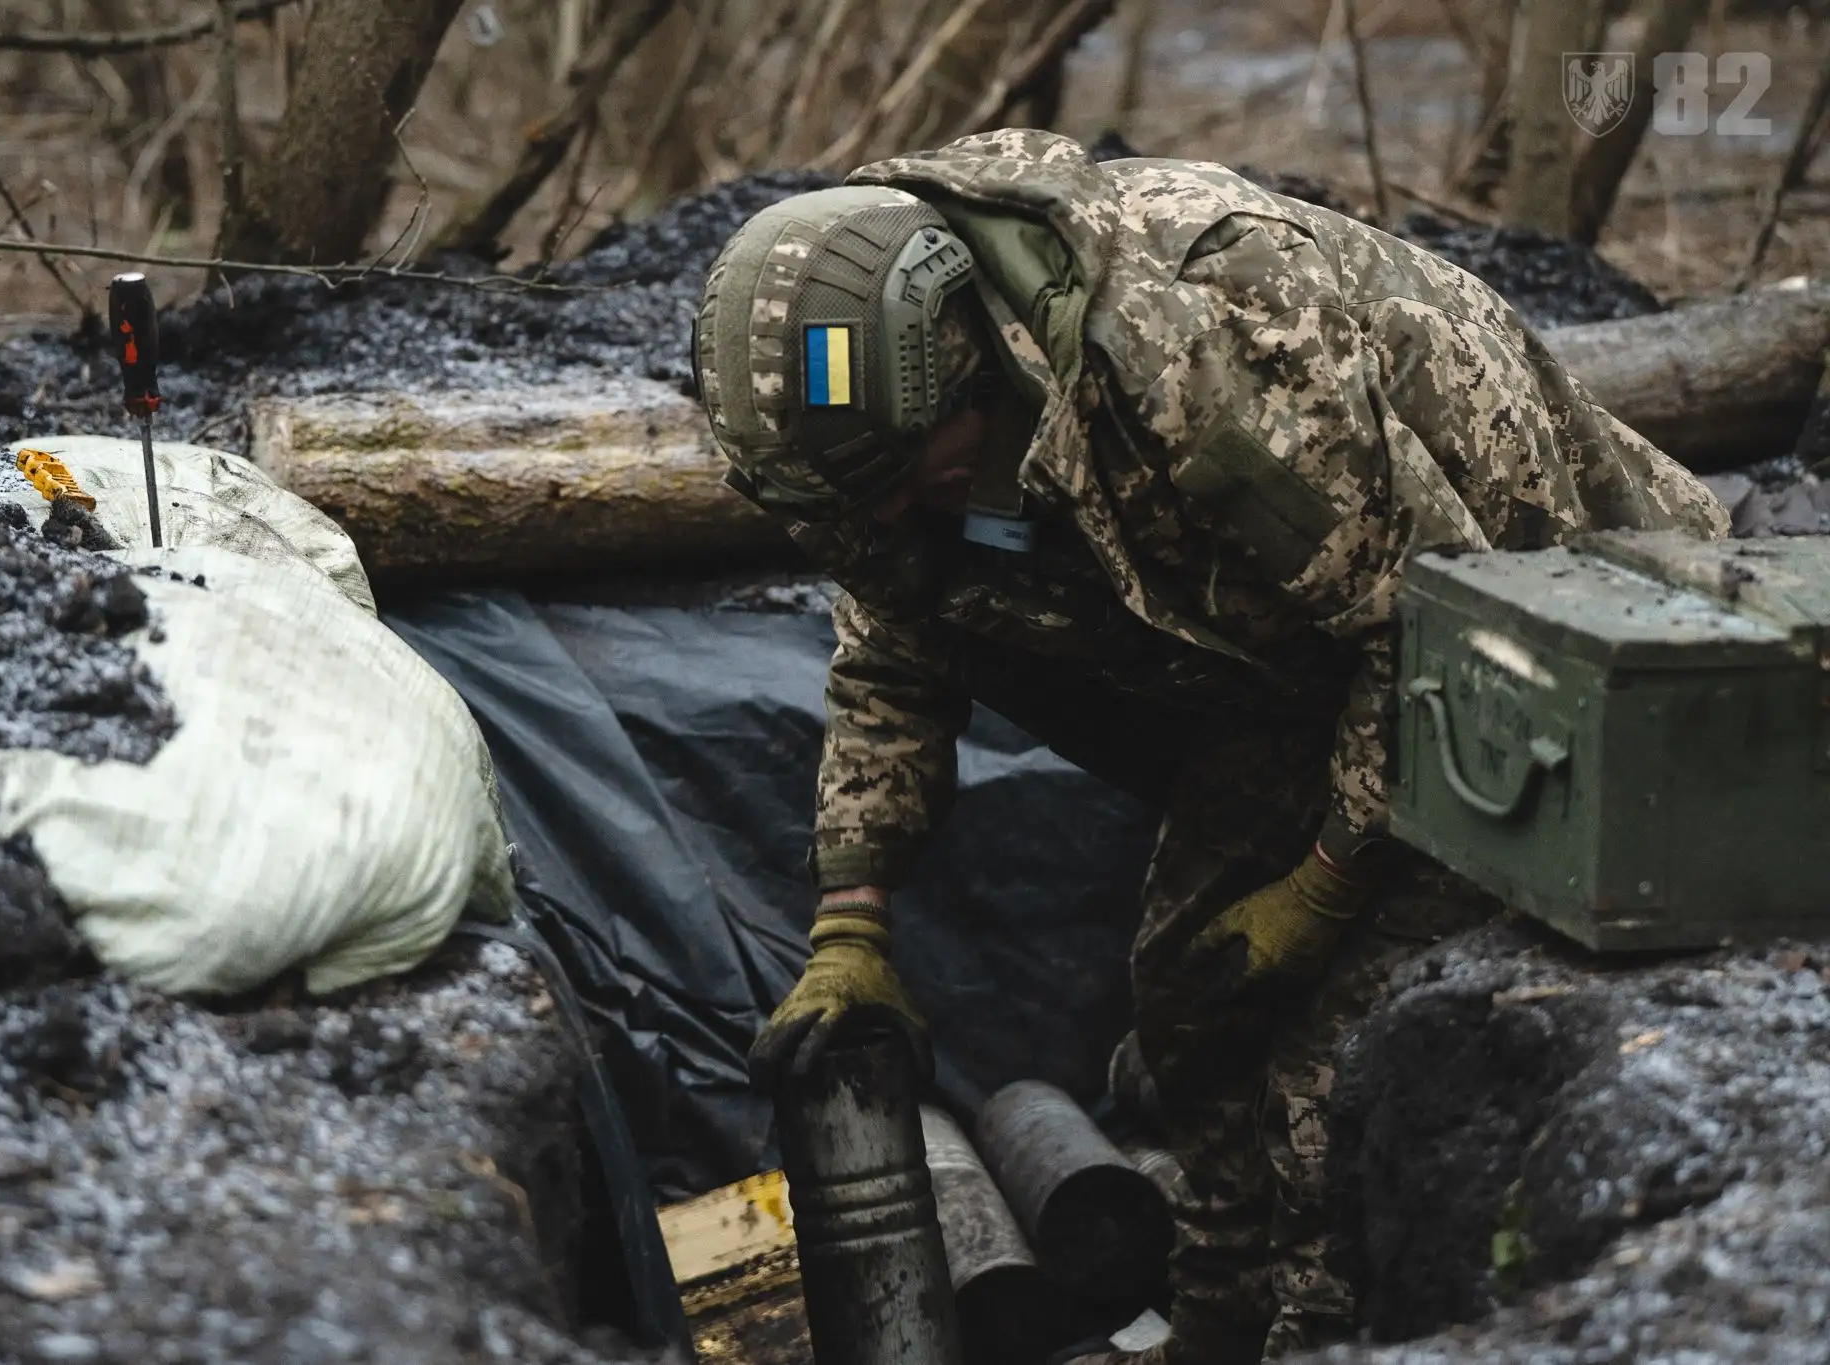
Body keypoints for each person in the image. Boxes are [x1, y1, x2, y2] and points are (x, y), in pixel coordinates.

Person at [690, 130, 1727, 1363]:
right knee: (1191, 1000)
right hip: (1293, 666)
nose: (880, 522)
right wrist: (851, 919)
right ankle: (1222, 1317)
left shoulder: (1209, 350)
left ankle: (1325, 1327)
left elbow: (1427, 621)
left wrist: (1322, 885)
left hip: (1539, 629)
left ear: (969, 368)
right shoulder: (876, 452)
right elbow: (890, 655)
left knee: (1328, 1060)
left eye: (903, 485)